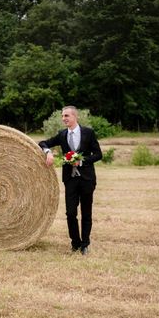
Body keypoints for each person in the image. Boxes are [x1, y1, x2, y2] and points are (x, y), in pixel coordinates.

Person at [39, 106, 102, 255]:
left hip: (87, 179)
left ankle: (85, 244)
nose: (64, 118)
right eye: (62, 116)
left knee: (86, 213)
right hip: (70, 180)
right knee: (70, 212)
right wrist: (48, 152)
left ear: (74, 116)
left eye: (66, 115)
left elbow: (99, 154)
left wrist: (81, 161)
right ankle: (75, 243)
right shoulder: (62, 135)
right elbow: (43, 142)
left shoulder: (88, 133)